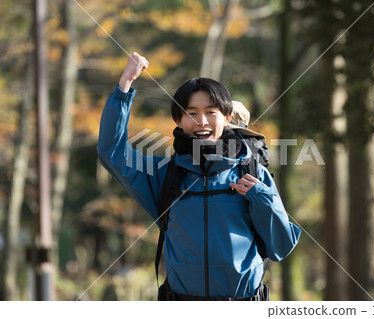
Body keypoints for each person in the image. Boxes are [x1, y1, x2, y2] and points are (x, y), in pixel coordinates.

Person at [97, 52, 301, 301]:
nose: (201, 121)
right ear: (179, 120)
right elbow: (111, 152)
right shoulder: (164, 176)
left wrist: (261, 197)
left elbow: (280, 247)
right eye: (191, 112)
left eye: (211, 112)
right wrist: (125, 85)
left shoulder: (253, 174)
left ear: (226, 118)